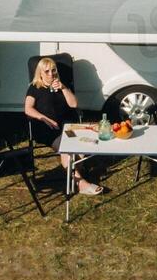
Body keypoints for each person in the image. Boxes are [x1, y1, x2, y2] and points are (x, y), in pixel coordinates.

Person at [24, 57, 103, 196]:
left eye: (53, 70)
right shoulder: (34, 87)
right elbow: (28, 109)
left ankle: (74, 168)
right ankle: (81, 183)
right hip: (48, 129)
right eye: (46, 71)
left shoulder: (62, 85)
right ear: (40, 73)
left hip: (67, 127)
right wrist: (43, 118)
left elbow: (74, 104)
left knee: (88, 139)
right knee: (67, 149)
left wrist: (64, 88)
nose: (51, 74)